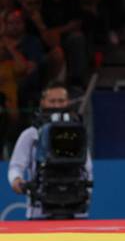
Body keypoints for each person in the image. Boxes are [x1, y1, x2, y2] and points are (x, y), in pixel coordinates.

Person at [7, 81, 93, 219]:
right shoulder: (31, 134)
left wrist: (86, 196)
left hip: (75, 211)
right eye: (52, 101)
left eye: (61, 101)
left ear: (68, 102)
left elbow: (87, 168)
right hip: (39, 211)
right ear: (43, 102)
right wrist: (17, 181)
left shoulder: (77, 132)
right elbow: (16, 166)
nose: (57, 105)